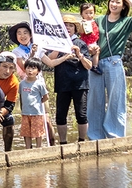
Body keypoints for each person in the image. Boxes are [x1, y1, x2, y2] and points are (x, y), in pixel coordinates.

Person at [88, 0, 132, 140]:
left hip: (114, 62)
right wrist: (91, 48)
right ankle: (95, 136)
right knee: (95, 99)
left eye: (118, 2)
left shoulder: (126, 22)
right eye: (112, 1)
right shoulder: (99, 20)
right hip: (96, 63)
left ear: (123, 6)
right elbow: (89, 39)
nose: (114, 4)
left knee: (116, 100)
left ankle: (115, 136)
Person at [42, 15, 91, 144]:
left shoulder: (80, 43)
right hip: (62, 83)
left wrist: (79, 55)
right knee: (60, 115)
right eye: (65, 26)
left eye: (70, 26)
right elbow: (50, 60)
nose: (68, 28)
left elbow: (89, 65)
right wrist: (59, 48)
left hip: (80, 84)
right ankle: (63, 142)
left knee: (81, 114)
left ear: (75, 28)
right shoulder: (55, 43)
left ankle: (82, 140)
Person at [8, 21, 56, 146]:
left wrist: (65, 54)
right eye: (19, 33)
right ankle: (29, 148)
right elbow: (25, 68)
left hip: (39, 86)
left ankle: (53, 144)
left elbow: (50, 63)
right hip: (27, 88)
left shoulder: (37, 47)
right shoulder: (16, 52)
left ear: (30, 35)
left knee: (46, 118)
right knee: (27, 119)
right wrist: (33, 54)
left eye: (25, 32)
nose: (22, 35)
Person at [19, 58, 49, 149]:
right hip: (25, 112)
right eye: (28, 68)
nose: (30, 70)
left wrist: (38, 103)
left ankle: (39, 147)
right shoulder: (22, 84)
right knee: (26, 132)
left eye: (33, 68)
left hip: (36, 112)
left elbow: (46, 96)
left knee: (38, 132)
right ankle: (28, 148)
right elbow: (21, 97)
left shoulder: (39, 84)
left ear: (38, 71)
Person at [78, 2, 102, 75]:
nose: (89, 15)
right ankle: (94, 66)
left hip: (94, 41)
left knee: (97, 51)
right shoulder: (82, 22)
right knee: (94, 51)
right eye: (86, 13)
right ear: (82, 14)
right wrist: (83, 24)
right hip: (86, 42)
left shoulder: (95, 22)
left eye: (91, 13)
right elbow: (81, 32)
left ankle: (94, 66)